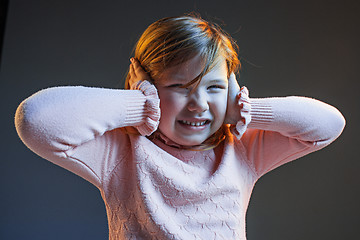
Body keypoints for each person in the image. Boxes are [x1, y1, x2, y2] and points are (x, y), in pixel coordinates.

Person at [15, 14, 345, 240]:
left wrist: (248, 110)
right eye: (178, 85)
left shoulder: (240, 149)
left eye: (214, 88)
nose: (198, 104)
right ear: (142, 81)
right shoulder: (120, 154)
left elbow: (328, 124)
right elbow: (36, 120)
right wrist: (140, 104)